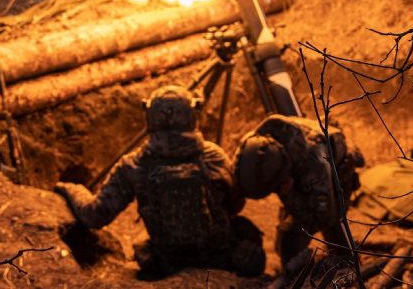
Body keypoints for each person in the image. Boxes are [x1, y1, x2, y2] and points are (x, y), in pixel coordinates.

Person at [55, 86, 266, 278]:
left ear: (149, 117)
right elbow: (236, 204)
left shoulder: (134, 165)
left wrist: (71, 189)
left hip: (169, 264)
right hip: (219, 259)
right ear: (192, 115)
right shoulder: (214, 157)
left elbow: (95, 216)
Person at [234, 114, 364, 282]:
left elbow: (323, 217)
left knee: (298, 235)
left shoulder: (315, 166)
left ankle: (347, 261)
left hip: (337, 174)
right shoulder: (259, 144)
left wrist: (289, 197)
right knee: (288, 239)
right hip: (307, 166)